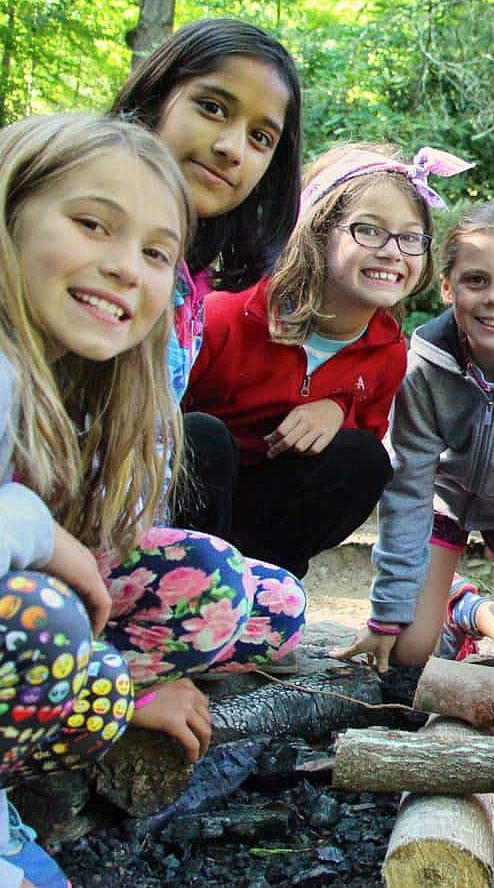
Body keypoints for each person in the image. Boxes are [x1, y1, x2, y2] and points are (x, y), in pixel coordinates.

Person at [0, 113, 260, 885]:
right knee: (38, 623)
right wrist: (37, 532)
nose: (125, 268)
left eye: (155, 253)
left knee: (224, 583)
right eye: (91, 225)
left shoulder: (81, 384)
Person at [183, 143, 471, 578]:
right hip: (190, 502)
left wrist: (339, 407)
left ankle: (267, 585)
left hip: (263, 515)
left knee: (363, 458)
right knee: (202, 437)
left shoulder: (388, 351)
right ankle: (183, 580)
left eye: (410, 238)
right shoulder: (229, 315)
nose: (393, 251)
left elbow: (347, 457)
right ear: (318, 233)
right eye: (369, 230)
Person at [333, 201, 494, 671]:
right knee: (407, 652)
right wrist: (389, 610)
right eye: (476, 280)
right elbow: (408, 483)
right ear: (447, 288)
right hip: (446, 501)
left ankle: (470, 613)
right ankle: (441, 609)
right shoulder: (422, 367)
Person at [111, 17, 304, 535]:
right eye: (212, 108)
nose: (231, 147)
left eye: (260, 137)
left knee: (274, 597)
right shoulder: (93, 252)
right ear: (156, 98)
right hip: (39, 535)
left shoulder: (193, 281)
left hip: (129, 532)